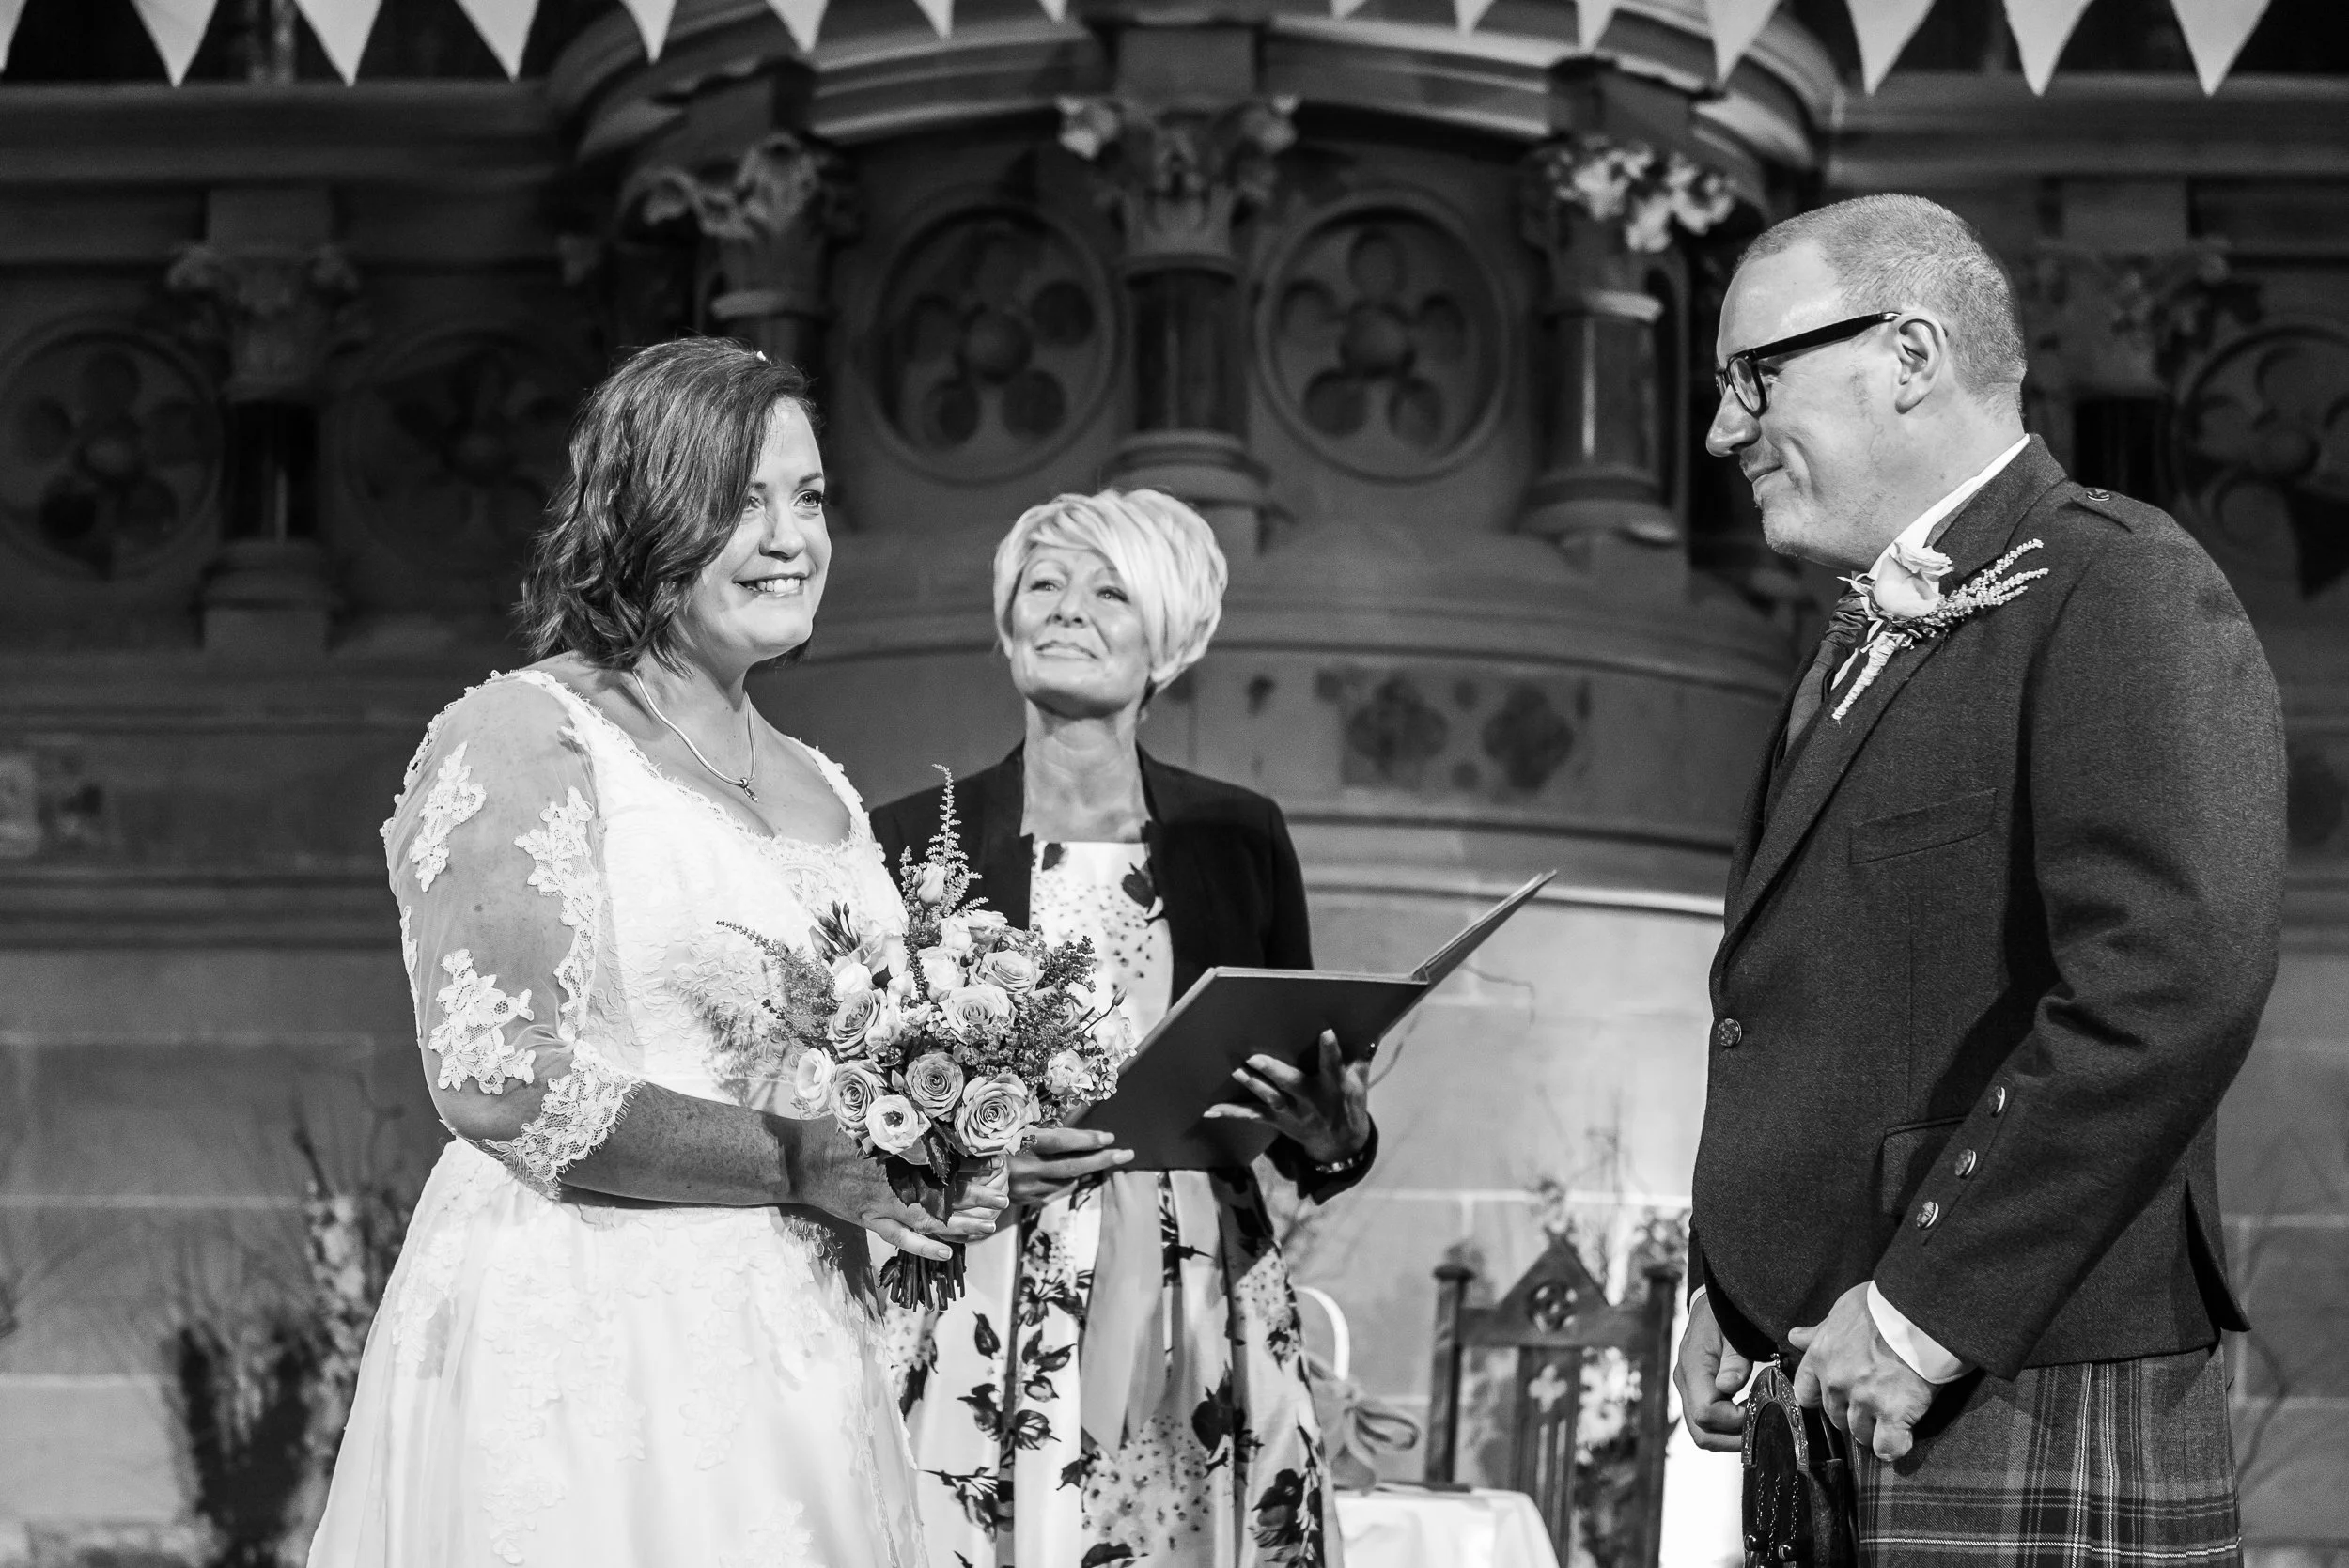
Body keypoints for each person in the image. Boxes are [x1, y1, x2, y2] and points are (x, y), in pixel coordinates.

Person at [309, 338, 1005, 1567]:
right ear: (645, 515)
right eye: (743, 501)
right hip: (595, 1327)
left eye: (810, 498)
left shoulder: (823, 784)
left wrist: (957, 1149)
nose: (793, 537)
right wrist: (798, 1159)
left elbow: (867, 1069)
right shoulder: (525, 734)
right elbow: (501, 1081)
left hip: (804, 1339)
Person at [1672, 194, 2285, 1560]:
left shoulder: (2119, 587)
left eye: (1752, 375)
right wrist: (1736, 1276)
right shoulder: (1849, 644)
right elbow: (1814, 1014)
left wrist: (1924, 1309)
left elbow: (2170, 985)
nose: (1724, 429)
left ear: (1909, 353)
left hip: (2013, 1369)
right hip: (1832, 1372)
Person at [869, 489, 1375, 1568]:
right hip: (985, 1282)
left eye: (1109, 591)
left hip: (1199, 1289)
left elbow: (1296, 1117)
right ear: (1006, 623)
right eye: (1042, 585)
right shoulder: (908, 839)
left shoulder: (1239, 836)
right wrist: (971, 1161)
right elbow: (865, 1108)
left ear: (1169, 639)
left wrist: (1334, 1133)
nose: (1066, 610)